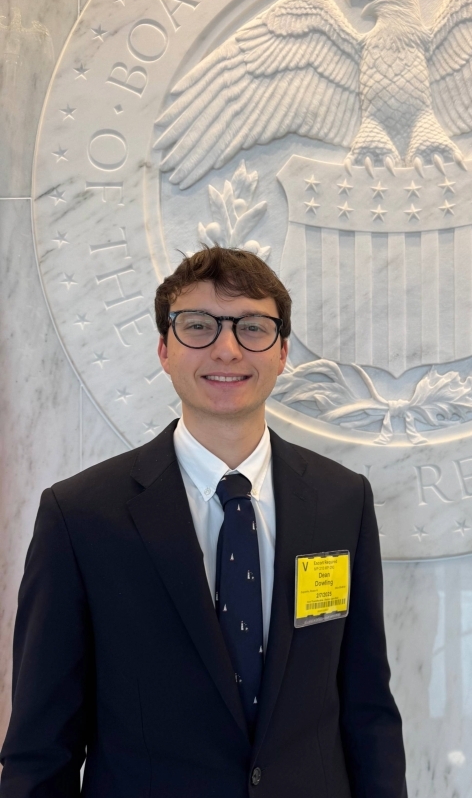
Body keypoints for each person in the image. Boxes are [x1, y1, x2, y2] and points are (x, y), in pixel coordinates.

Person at [0, 246, 407, 798]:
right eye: (199, 327)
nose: (227, 348)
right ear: (165, 350)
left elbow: (368, 713)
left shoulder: (341, 502)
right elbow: (40, 748)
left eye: (253, 328)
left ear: (283, 351)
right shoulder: (80, 516)